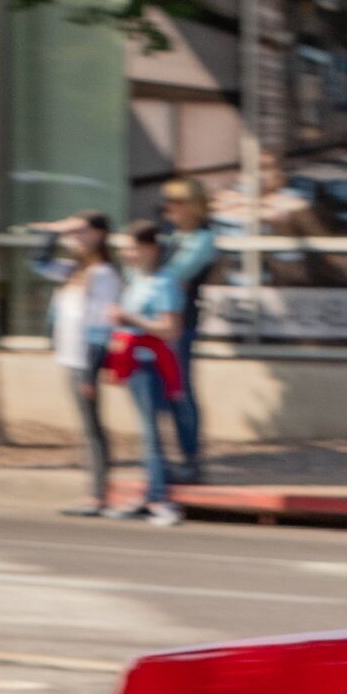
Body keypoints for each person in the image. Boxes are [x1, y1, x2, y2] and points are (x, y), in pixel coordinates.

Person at [105, 222, 191, 524]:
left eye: (133, 248)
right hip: (135, 363)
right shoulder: (137, 279)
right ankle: (151, 494)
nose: (127, 254)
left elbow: (170, 330)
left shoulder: (163, 283)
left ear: (151, 249)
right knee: (147, 432)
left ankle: (160, 499)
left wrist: (130, 318)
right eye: (125, 249)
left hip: (151, 365)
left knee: (151, 433)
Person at [45, 215, 124, 518]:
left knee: (92, 428)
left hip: (85, 360)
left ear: (100, 234)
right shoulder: (73, 271)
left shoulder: (103, 274)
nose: (76, 236)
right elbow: (38, 262)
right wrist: (54, 232)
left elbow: (99, 327)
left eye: (82, 231)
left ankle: (97, 495)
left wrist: (90, 372)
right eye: (73, 232)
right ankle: (95, 492)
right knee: (87, 427)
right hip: (71, 357)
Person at [152, 178, 227, 483]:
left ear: (192, 206)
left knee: (180, 391)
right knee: (160, 394)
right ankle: (167, 459)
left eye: (176, 202)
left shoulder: (203, 239)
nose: (168, 208)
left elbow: (172, 275)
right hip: (155, 322)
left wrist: (152, 274)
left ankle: (191, 461)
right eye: (167, 202)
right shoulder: (169, 237)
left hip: (181, 324)